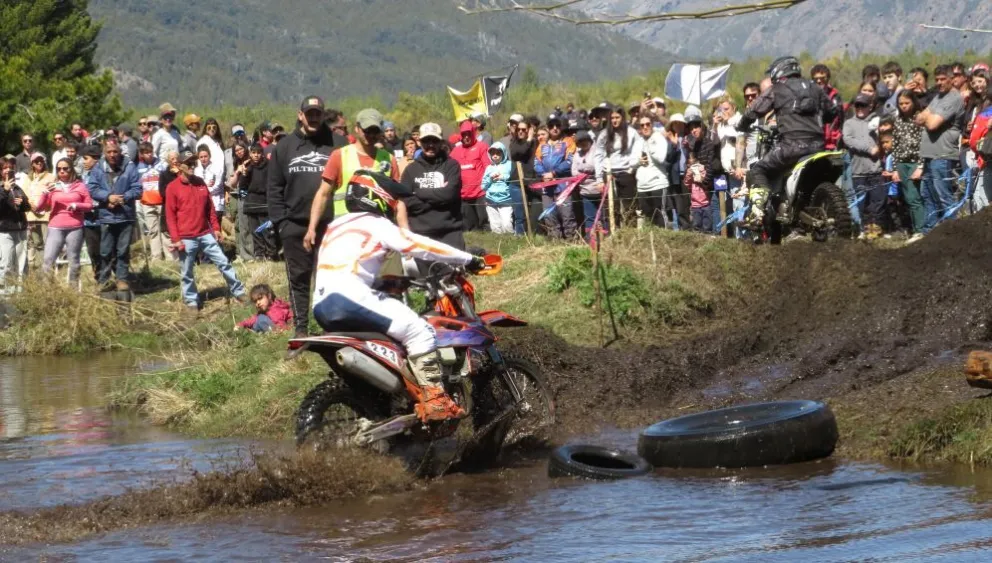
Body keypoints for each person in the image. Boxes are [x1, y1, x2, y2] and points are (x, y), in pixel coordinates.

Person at [310, 172, 485, 422]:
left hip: (323, 305)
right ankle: (435, 399)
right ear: (375, 196)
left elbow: (343, 267)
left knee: (396, 338)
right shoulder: (375, 223)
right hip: (350, 298)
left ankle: (391, 403)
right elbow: (419, 245)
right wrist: (468, 259)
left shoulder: (335, 226)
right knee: (419, 331)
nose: (393, 203)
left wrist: (382, 283)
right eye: (391, 197)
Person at [268, 95, 347, 338]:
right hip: (294, 224)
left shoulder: (339, 143)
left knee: (332, 278)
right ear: (300, 115)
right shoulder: (285, 146)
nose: (313, 117)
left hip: (331, 225)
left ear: (323, 115)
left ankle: (334, 328)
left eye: (317, 113)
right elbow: (274, 188)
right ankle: (301, 328)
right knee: (299, 279)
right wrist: (281, 223)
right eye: (309, 113)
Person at [736, 56, 837, 229]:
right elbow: (831, 112)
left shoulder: (778, 88)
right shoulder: (814, 87)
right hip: (818, 147)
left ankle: (757, 214)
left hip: (791, 146)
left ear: (779, 70)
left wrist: (742, 124)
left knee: (758, 169)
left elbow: (755, 109)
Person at [166, 149, 246, 310]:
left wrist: (216, 228)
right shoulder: (172, 188)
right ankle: (191, 301)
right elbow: (170, 216)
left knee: (223, 262)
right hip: (186, 237)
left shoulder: (200, 182)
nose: (191, 165)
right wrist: (176, 239)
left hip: (205, 233)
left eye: (193, 163)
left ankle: (239, 292)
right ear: (179, 166)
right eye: (188, 163)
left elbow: (210, 208)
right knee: (187, 271)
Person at [397, 122, 466, 250]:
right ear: (419, 142)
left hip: (450, 233)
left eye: (434, 141)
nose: (430, 145)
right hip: (421, 236)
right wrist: (438, 197)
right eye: (426, 141)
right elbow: (406, 201)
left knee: (456, 271)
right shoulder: (410, 170)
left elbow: (449, 194)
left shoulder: (452, 166)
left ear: (441, 142)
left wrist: (418, 193)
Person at [87, 140, 142, 292]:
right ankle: (104, 280)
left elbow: (137, 189)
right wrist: (108, 197)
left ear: (120, 152)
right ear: (104, 153)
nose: (112, 154)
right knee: (105, 250)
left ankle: (122, 279)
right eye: (109, 152)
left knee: (122, 250)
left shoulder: (130, 167)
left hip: (125, 215)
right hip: (106, 215)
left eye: (115, 151)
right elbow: (92, 188)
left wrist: (123, 198)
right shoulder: (98, 168)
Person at [916, 65, 966, 233]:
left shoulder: (953, 98)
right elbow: (918, 118)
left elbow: (931, 124)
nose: (939, 82)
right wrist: (927, 115)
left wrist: (927, 115)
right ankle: (929, 232)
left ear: (952, 79)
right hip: (930, 155)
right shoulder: (938, 97)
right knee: (928, 195)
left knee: (943, 196)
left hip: (943, 155)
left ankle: (954, 234)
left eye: (943, 79)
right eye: (937, 79)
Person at [34, 158, 93, 284]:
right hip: (55, 226)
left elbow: (89, 205)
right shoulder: (52, 186)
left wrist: (77, 205)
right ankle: (46, 292)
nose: (62, 171)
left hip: (75, 226)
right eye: (59, 169)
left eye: (65, 168)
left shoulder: (80, 186)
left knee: (74, 261)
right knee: (48, 259)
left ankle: (73, 293)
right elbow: (39, 208)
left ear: (71, 169)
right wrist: (44, 194)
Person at [844, 93, 885, 240]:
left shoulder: (876, 121)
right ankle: (862, 229)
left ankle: (876, 229)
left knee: (878, 200)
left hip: (876, 169)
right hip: (858, 171)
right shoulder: (849, 123)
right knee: (861, 202)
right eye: (857, 105)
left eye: (863, 105)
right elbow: (848, 140)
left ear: (870, 106)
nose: (860, 108)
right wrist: (869, 149)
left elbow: (885, 138)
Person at [594, 106, 643, 227]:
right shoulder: (604, 134)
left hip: (626, 172)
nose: (615, 120)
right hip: (609, 173)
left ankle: (629, 234)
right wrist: (599, 179)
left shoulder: (631, 133)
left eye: (617, 117)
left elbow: (636, 152)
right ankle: (613, 231)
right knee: (611, 206)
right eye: (612, 118)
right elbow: (598, 155)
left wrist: (632, 168)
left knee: (629, 206)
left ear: (623, 118)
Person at [891, 90, 926, 241]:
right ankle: (915, 229)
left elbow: (924, 143)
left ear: (913, 102)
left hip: (915, 163)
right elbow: (896, 145)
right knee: (907, 197)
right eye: (901, 104)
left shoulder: (919, 118)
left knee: (914, 197)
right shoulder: (898, 120)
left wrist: (920, 166)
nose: (904, 106)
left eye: (907, 103)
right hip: (901, 163)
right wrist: (895, 168)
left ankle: (921, 229)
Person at [533, 116, 576, 238]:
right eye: (552, 126)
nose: (555, 128)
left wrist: (554, 173)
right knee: (550, 216)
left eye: (557, 125)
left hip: (563, 185)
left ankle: (572, 243)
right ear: (548, 128)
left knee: (567, 215)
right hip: (547, 186)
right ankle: (555, 245)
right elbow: (536, 163)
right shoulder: (542, 145)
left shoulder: (568, 141)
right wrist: (543, 174)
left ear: (561, 127)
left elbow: (569, 161)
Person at [450, 120, 491, 232]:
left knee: (484, 222)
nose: (466, 137)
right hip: (464, 194)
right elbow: (448, 167)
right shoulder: (456, 151)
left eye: (469, 134)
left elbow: (488, 167)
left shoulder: (482, 147)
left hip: (480, 192)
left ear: (473, 133)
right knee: (471, 227)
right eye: (464, 135)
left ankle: (491, 242)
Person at [240, 144, 275, 260]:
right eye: (253, 153)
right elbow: (242, 187)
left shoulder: (269, 166)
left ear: (262, 153)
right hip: (251, 202)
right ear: (250, 154)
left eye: (258, 153)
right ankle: (259, 254)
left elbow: (271, 183)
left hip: (264, 201)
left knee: (266, 229)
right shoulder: (247, 166)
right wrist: (244, 174)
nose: (256, 155)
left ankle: (270, 253)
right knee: (255, 231)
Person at [136, 142, 170, 261]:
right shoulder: (138, 167)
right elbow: (137, 184)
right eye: (146, 153)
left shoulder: (162, 164)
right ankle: (156, 258)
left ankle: (170, 257)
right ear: (141, 154)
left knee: (165, 230)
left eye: (150, 152)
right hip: (147, 202)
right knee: (153, 231)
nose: (149, 155)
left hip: (161, 201)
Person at [0, 157, 30, 293]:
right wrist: (5, 191)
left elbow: (27, 206)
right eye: (5, 168)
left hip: (21, 230)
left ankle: (19, 293)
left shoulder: (17, 188)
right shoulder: (2, 188)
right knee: (6, 264)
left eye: (10, 167)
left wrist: (22, 203)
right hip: (5, 231)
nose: (8, 170)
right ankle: (5, 293)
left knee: (21, 264)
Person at [634, 115, 669, 228]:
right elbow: (630, 162)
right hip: (643, 186)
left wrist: (650, 146)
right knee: (648, 218)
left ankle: (664, 241)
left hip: (658, 184)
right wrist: (638, 161)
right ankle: (651, 243)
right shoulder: (638, 142)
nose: (645, 127)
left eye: (648, 124)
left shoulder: (659, 138)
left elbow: (661, 158)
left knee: (660, 216)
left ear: (652, 125)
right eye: (642, 125)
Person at [21, 153, 55, 270]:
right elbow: (24, 194)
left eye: (41, 160)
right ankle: (41, 267)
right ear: (32, 164)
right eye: (36, 161)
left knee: (48, 243)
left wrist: (41, 205)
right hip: (31, 215)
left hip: (45, 215)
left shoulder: (51, 176)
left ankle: (48, 268)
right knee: (37, 243)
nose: (39, 163)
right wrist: (31, 204)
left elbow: (52, 195)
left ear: (44, 162)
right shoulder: (27, 178)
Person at [481, 143, 514, 234]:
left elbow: (514, 178)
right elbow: (483, 186)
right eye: (493, 153)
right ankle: (498, 242)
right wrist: (490, 179)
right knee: (495, 225)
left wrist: (502, 177)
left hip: (506, 199)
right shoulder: (488, 168)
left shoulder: (509, 165)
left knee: (506, 223)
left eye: (498, 153)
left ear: (503, 153)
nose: (495, 156)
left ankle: (510, 240)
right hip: (491, 200)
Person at [810, 65, 844, 150]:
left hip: (833, 143)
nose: (819, 81)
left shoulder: (835, 95)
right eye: (815, 79)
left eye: (822, 78)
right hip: (815, 143)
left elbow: (841, 118)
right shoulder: (808, 96)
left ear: (828, 78)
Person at [194, 144, 225, 220]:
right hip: (202, 203)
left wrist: (203, 187)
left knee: (216, 228)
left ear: (209, 156)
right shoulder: (197, 170)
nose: (203, 159)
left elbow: (217, 186)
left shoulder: (217, 168)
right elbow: (195, 187)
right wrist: (206, 185)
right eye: (201, 157)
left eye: (205, 156)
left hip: (216, 203)